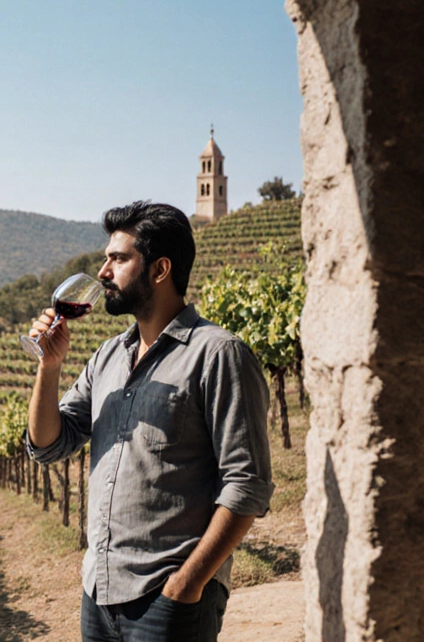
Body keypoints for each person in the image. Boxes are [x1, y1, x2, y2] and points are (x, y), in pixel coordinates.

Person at [24, 201, 273, 642]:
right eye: (106, 259)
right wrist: (48, 365)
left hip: (169, 598)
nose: (103, 273)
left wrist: (187, 583)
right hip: (99, 594)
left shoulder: (217, 355)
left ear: (159, 270)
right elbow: (48, 445)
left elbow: (247, 483)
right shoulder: (106, 358)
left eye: (118, 259)